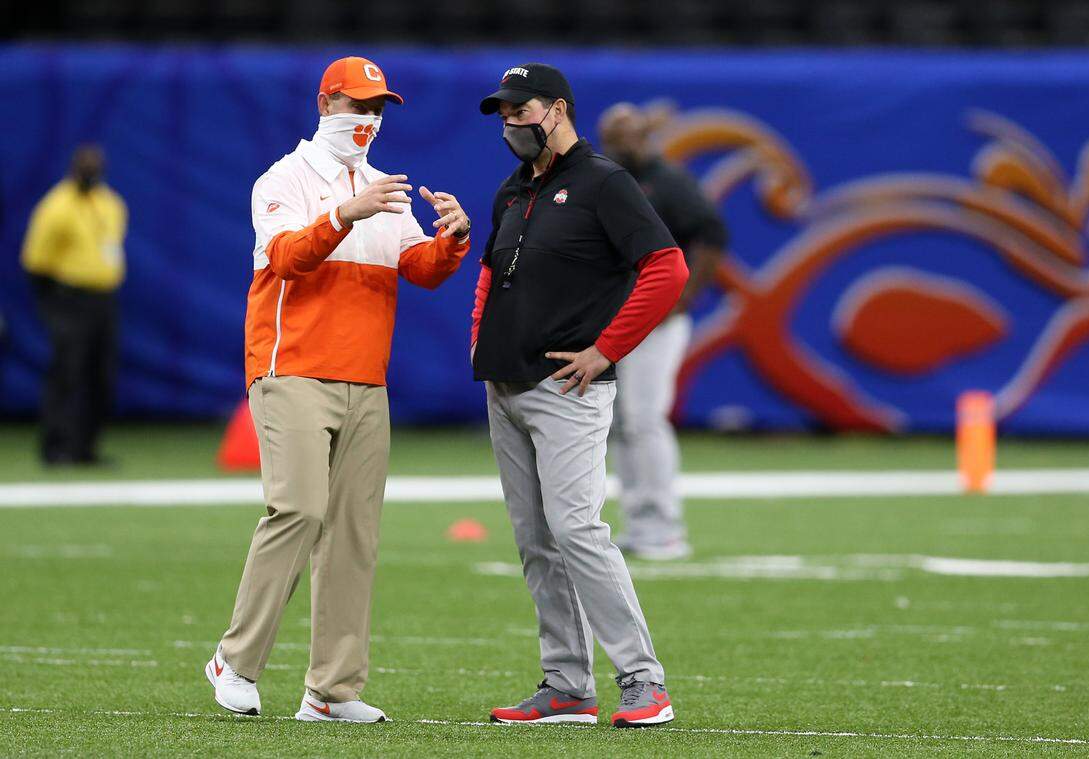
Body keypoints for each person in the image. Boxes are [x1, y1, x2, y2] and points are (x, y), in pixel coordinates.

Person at [205, 56, 471, 722]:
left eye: (377, 109)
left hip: (364, 379)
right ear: (324, 104)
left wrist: (452, 242)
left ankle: (331, 689)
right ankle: (234, 660)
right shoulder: (282, 178)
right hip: (291, 366)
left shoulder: (384, 185)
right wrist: (344, 214)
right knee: (297, 508)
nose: (368, 120)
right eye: (356, 105)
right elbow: (288, 256)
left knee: (354, 533)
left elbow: (417, 267)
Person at [471, 63, 688, 727]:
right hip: (506, 385)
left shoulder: (603, 183)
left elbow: (668, 267)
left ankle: (643, 682)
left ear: (558, 109)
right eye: (504, 112)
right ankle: (568, 685)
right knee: (536, 540)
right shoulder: (515, 190)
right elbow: (491, 271)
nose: (512, 122)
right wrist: (480, 336)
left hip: (565, 387)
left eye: (522, 108)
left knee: (577, 531)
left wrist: (607, 348)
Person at [598, 102, 729, 561]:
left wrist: (682, 299)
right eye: (613, 136)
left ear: (644, 134)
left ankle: (665, 526)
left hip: (656, 319)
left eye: (628, 134)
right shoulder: (605, 181)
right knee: (618, 422)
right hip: (616, 317)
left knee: (644, 417)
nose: (621, 144)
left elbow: (711, 235)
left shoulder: (669, 182)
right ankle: (640, 521)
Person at [21, 145, 127, 466]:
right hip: (69, 297)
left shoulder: (111, 204)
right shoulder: (57, 206)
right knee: (68, 371)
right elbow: (35, 260)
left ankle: (85, 447)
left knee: (100, 374)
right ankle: (56, 446)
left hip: (103, 299)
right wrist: (53, 304)